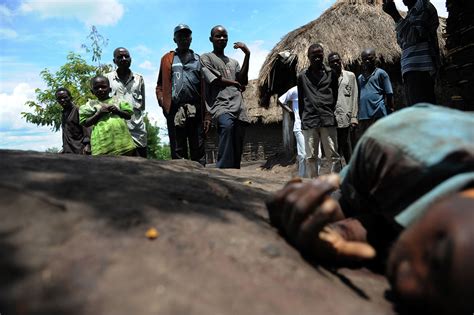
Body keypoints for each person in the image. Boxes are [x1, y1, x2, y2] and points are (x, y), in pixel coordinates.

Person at [266, 104, 474, 314]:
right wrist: (329, 211)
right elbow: (339, 202)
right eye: (436, 259)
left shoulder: (456, 236)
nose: (405, 286)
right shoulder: (395, 148)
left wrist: (372, 234)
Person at [155, 24, 209, 166]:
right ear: (175, 39)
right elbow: (160, 85)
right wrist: (163, 102)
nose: (184, 39)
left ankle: (202, 180)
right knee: (178, 148)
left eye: (187, 36)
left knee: (197, 145)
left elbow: (206, 87)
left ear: (191, 39)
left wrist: (206, 113)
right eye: (180, 36)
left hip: (195, 109)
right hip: (175, 109)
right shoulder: (167, 59)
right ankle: (181, 181)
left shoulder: (199, 60)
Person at [200, 25, 250, 169]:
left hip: (238, 105)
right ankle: (222, 170)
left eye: (224, 36)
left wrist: (247, 55)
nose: (222, 39)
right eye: (218, 36)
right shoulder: (206, 58)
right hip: (220, 104)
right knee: (227, 127)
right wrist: (235, 82)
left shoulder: (234, 62)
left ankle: (235, 172)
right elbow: (214, 80)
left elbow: (243, 80)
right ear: (211, 39)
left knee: (238, 138)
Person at [383, 0, 440, 106]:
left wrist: (395, 15)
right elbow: (402, 42)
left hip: (420, 69)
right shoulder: (411, 13)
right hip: (412, 70)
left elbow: (413, 37)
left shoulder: (422, 6)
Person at [297, 43, 341, 177]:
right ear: (308, 57)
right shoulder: (302, 77)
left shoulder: (331, 74)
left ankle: (335, 185)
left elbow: (335, 94)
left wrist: (327, 109)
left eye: (319, 55)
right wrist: (305, 117)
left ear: (323, 55)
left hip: (327, 119)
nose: (317, 58)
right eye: (313, 56)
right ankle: (314, 186)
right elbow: (301, 100)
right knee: (311, 157)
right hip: (310, 120)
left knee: (333, 156)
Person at [105, 47, 147, 158]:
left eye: (126, 56)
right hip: (115, 130)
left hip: (136, 129)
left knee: (141, 162)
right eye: (120, 57)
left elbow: (142, 106)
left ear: (131, 59)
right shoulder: (107, 79)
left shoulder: (139, 79)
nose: (124, 59)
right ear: (114, 61)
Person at [79, 75, 136, 156]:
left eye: (103, 87)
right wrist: (98, 114)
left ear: (110, 89)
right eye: (96, 88)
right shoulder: (90, 105)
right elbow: (85, 122)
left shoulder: (118, 100)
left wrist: (117, 111)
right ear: (92, 92)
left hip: (123, 145)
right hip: (101, 146)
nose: (100, 89)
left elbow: (128, 115)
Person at [356, 48, 394, 141]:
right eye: (365, 59)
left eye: (370, 58)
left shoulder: (381, 73)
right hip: (364, 115)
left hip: (378, 112)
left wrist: (390, 109)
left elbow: (389, 93)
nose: (367, 61)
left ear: (375, 58)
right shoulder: (360, 78)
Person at [328, 52, 358, 164]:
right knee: (335, 150)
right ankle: (338, 176)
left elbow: (354, 97)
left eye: (337, 60)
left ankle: (351, 174)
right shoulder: (327, 78)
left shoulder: (350, 76)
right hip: (332, 119)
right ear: (329, 64)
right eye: (332, 62)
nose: (335, 63)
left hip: (346, 118)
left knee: (347, 147)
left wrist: (354, 118)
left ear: (341, 61)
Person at [279, 86, 306, 177]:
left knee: (317, 155)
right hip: (299, 126)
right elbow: (281, 100)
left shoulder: (314, 87)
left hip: (313, 125)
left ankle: (314, 178)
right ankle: (303, 178)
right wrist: (290, 112)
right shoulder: (294, 90)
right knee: (303, 155)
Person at [55, 87, 91, 155]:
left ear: (71, 98)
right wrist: (64, 148)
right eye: (59, 99)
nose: (62, 100)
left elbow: (87, 129)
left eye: (65, 97)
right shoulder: (64, 114)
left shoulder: (78, 110)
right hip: (68, 151)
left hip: (80, 150)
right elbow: (66, 134)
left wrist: (88, 145)